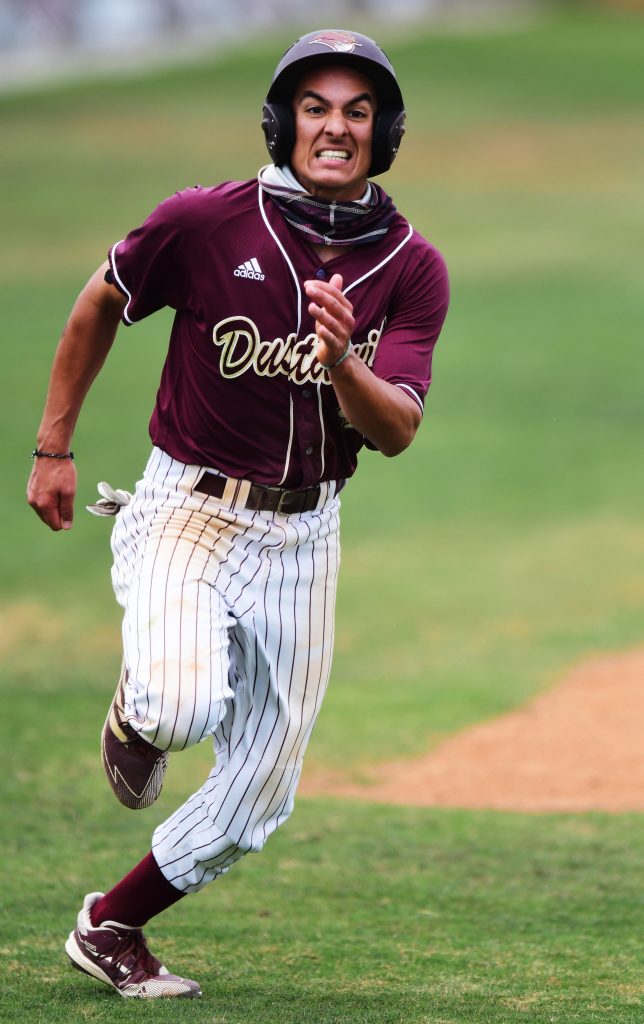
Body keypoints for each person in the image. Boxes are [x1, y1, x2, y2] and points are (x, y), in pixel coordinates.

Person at [27, 28, 449, 1000]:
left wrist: (343, 357)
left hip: (307, 534)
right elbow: (99, 303)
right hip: (190, 507)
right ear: (280, 121)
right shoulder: (204, 221)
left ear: (381, 131)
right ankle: (137, 710)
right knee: (181, 705)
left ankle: (112, 924)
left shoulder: (410, 266)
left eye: (353, 109)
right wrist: (54, 446)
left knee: (260, 793)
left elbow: (394, 434)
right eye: (313, 106)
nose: (333, 126)